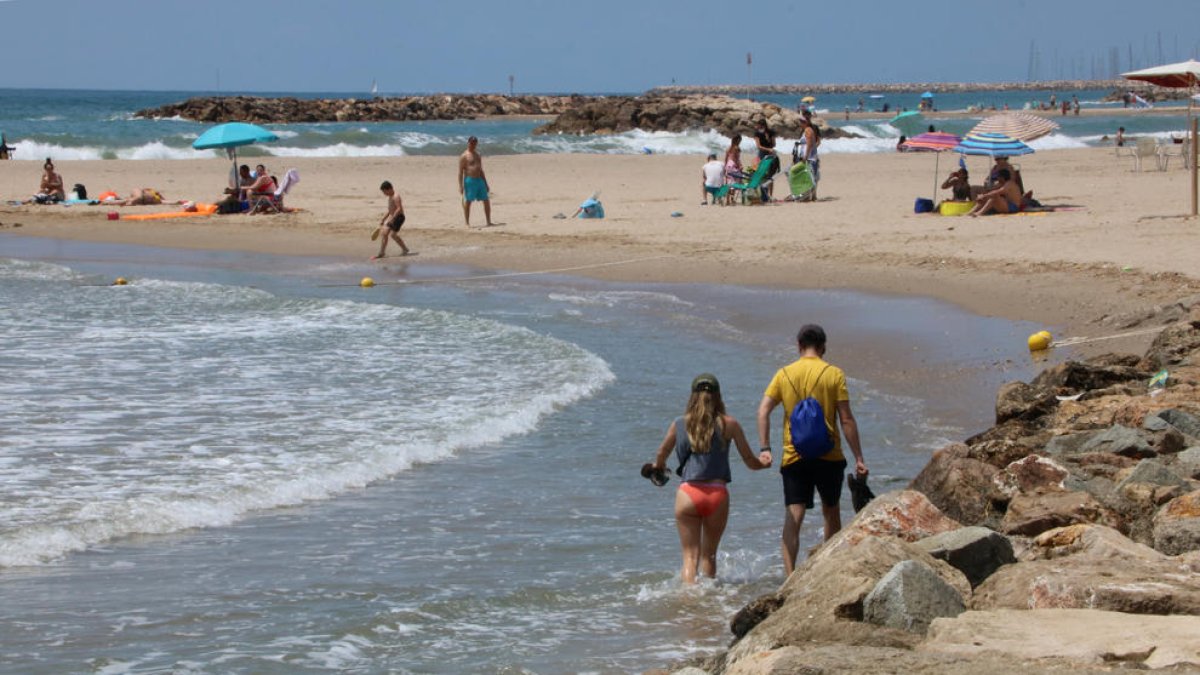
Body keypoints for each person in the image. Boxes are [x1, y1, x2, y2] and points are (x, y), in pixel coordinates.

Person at [756, 325, 867, 576]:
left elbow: (763, 411)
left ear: (798, 345)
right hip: (829, 456)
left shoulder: (784, 374)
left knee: (793, 516)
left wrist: (765, 448)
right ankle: (829, 572)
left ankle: (789, 577)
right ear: (823, 346)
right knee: (831, 511)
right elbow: (846, 419)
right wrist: (859, 457)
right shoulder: (834, 374)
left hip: (794, 456)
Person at [650, 373, 772, 584]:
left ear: (693, 396)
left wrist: (658, 468)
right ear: (718, 396)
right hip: (717, 495)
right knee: (709, 556)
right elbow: (751, 462)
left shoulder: (679, 424)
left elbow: (661, 455)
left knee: (690, 558)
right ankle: (709, 602)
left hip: (688, 494)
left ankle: (691, 602)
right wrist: (765, 461)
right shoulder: (729, 424)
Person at [458, 135, 495, 227]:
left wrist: (486, 183)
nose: (473, 144)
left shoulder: (478, 154)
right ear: (468, 143)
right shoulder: (464, 156)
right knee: (468, 201)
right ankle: (467, 222)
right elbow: (460, 172)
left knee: (486, 200)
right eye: (471, 142)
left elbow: (481, 169)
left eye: (475, 143)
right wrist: (461, 186)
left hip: (479, 180)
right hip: (470, 180)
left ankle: (488, 221)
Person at [372, 180, 410, 258]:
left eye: (384, 192)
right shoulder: (390, 197)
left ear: (389, 189)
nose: (384, 194)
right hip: (392, 217)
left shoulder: (396, 196)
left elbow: (399, 208)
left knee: (393, 235)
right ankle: (382, 253)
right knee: (384, 233)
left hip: (399, 217)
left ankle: (405, 249)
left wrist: (392, 218)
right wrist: (383, 219)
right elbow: (390, 211)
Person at [753, 119, 779, 201]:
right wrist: (768, 149)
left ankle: (769, 195)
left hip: (767, 154)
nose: (759, 127)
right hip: (764, 154)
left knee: (769, 175)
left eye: (759, 126)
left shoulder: (769, 133)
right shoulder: (757, 133)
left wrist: (770, 139)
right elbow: (759, 146)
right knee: (764, 175)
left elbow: (774, 144)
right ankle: (764, 194)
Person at [797, 111, 821, 199]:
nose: (801, 123)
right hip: (805, 155)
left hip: (810, 157)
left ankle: (812, 196)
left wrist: (808, 153)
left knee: (812, 176)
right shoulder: (804, 130)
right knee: (807, 176)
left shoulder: (811, 129)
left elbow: (812, 143)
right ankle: (807, 195)